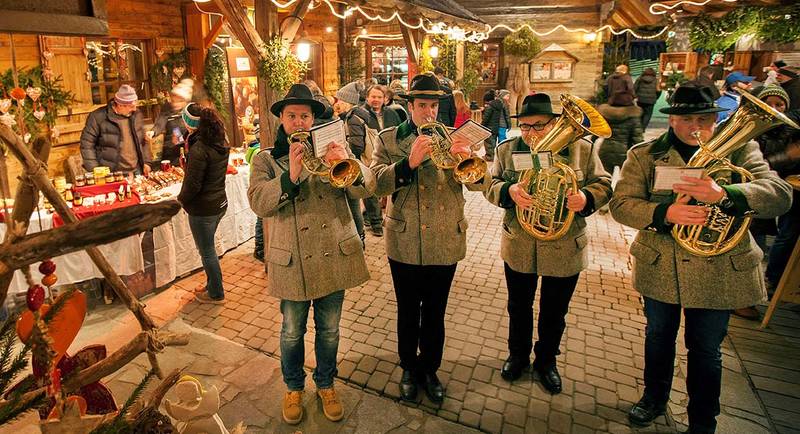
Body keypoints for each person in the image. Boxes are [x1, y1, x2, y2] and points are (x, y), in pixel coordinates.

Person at [609, 82, 793, 434]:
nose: (699, 126)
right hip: (662, 264)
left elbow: (780, 195)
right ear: (673, 120)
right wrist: (665, 214)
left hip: (718, 268)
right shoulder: (645, 155)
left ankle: (703, 419)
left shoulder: (740, 151)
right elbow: (622, 205)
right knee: (658, 336)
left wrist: (726, 193)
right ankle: (653, 398)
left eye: (706, 118)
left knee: (706, 349)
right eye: (689, 118)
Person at [247, 84, 376, 425]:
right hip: (292, 261)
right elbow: (258, 202)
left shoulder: (333, 148)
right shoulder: (265, 159)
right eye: (292, 115)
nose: (299, 121)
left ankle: (326, 383)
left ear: (313, 118)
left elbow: (367, 187)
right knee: (292, 330)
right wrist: (288, 176)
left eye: (305, 115)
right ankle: (293, 388)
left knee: (330, 329)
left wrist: (344, 161)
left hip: (333, 253)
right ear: (282, 120)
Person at [370, 74, 488, 404]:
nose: (429, 113)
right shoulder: (389, 139)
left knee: (436, 312)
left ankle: (430, 369)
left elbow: (480, 185)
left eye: (434, 106)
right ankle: (409, 368)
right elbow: (375, 183)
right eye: (422, 106)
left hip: (444, 239)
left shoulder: (454, 138)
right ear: (410, 107)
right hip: (404, 240)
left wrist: (469, 157)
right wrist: (408, 163)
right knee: (408, 311)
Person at [484, 94, 612, 393]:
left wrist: (586, 198)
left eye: (538, 126)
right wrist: (508, 190)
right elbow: (490, 184)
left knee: (554, 311)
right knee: (518, 306)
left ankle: (546, 362)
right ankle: (517, 356)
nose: (531, 134)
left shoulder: (581, 149)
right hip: (520, 244)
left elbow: (604, 184)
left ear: (555, 123)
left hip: (565, 246)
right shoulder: (507, 150)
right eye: (525, 127)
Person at [751, 86, 800, 308]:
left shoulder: (790, 131)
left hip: (781, 193)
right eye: (768, 103)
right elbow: (755, 167)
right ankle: (749, 295)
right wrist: (787, 156)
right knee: (755, 246)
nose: (773, 109)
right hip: (754, 195)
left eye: (779, 105)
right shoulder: (753, 130)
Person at [177, 103, 229, 304]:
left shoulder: (200, 148)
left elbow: (193, 185)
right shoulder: (218, 140)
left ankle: (216, 293)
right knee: (208, 249)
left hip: (203, 209)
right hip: (219, 203)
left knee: (207, 252)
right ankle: (211, 284)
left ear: (190, 124)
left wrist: (180, 200)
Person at [347, 84, 402, 237]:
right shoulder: (361, 114)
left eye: (379, 97)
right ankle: (376, 222)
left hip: (389, 156)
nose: (376, 100)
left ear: (385, 99)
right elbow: (356, 140)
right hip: (368, 156)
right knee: (371, 188)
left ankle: (370, 216)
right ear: (367, 97)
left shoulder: (391, 113)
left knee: (386, 187)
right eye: (373, 96)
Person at [80, 84, 152, 175]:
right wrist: (95, 170)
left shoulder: (136, 115)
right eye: (131, 106)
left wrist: (146, 162)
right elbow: (86, 145)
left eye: (135, 105)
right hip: (111, 173)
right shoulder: (97, 117)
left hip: (136, 170)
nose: (134, 109)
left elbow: (142, 140)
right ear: (120, 105)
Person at [150, 80, 193, 166]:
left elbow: (193, 133)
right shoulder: (167, 108)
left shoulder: (190, 111)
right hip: (169, 151)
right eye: (174, 100)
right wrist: (153, 132)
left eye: (180, 101)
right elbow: (160, 122)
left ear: (186, 101)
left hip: (187, 151)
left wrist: (180, 139)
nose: (175, 104)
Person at [597, 96, 644, 174]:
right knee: (625, 180)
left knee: (605, 179)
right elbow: (637, 139)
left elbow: (596, 133)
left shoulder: (606, 115)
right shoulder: (633, 117)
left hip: (606, 150)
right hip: (625, 152)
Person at [482, 89, 510, 161]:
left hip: (493, 126)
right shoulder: (504, 104)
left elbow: (487, 117)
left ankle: (491, 156)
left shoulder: (491, 105)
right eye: (507, 96)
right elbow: (507, 115)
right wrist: (509, 124)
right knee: (502, 141)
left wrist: (483, 125)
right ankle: (502, 156)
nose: (508, 97)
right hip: (502, 126)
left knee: (490, 142)